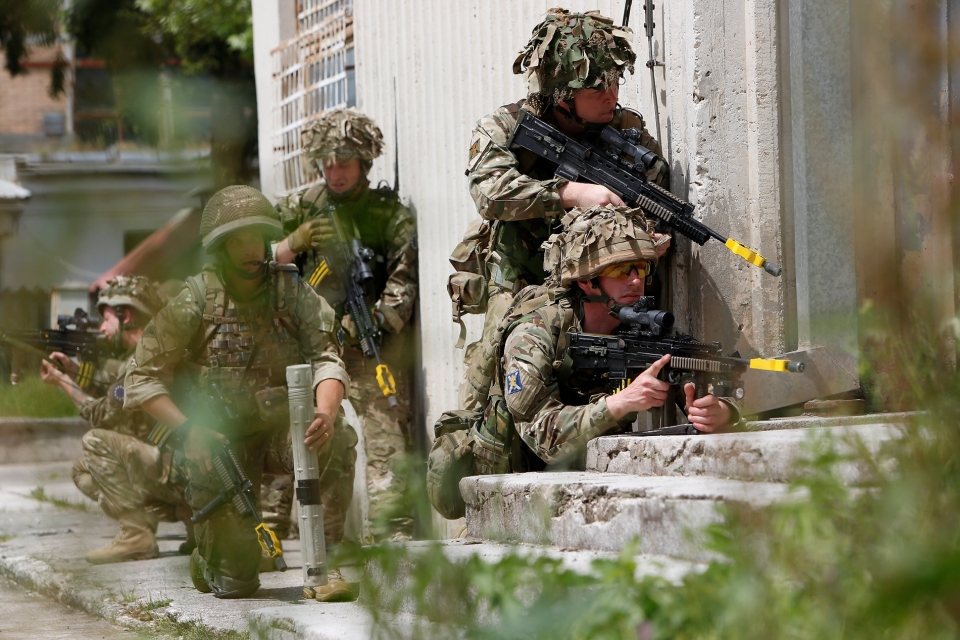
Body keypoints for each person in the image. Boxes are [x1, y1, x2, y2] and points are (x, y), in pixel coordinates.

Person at [123, 185, 357, 601]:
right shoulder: (195, 299)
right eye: (239, 240)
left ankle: (328, 562)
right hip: (219, 445)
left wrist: (325, 412)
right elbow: (141, 377)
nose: (252, 248)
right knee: (236, 585)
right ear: (220, 246)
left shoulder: (290, 291)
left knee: (336, 438)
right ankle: (209, 560)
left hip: (282, 433)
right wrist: (189, 429)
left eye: (257, 236)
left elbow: (327, 357)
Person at [459, 8, 672, 412]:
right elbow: (489, 193)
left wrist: (649, 240)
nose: (611, 96)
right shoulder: (506, 126)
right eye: (597, 89)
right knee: (488, 395)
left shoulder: (625, 130)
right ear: (561, 96)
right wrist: (571, 193)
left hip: (597, 288)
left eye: (615, 83)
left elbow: (654, 199)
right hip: (521, 277)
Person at [481, 205, 739, 473]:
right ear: (587, 281)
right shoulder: (535, 334)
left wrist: (720, 412)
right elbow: (543, 438)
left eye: (640, 268)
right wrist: (620, 403)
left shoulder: (645, 329)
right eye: (620, 271)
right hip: (518, 478)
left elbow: (697, 388)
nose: (636, 281)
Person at [276, 108, 419, 543]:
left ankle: (390, 536)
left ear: (365, 162)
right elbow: (243, 261)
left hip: (366, 348)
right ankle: (316, 537)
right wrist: (291, 243)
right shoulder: (301, 208)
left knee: (387, 440)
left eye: (345, 163)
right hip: (311, 353)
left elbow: (401, 289)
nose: (335, 173)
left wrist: (364, 328)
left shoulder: (388, 215)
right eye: (328, 163)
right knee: (314, 440)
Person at [40, 276, 193, 564]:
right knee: (84, 469)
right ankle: (189, 518)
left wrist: (63, 382)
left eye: (106, 319)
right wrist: (74, 372)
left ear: (127, 315)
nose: (101, 328)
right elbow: (112, 390)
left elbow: (99, 414)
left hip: (180, 470)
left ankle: (137, 533)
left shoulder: (142, 360)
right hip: (186, 465)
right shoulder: (156, 348)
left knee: (95, 442)